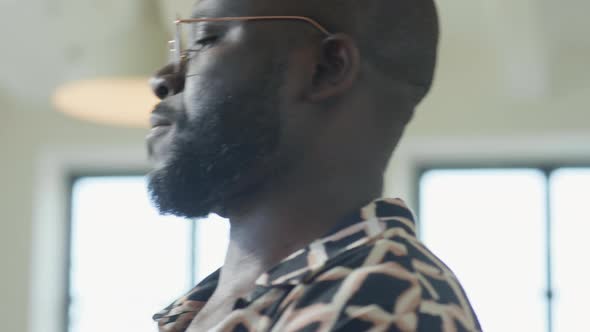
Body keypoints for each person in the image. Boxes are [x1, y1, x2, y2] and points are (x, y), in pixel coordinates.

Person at [146, 0, 481, 330]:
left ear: (326, 68)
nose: (161, 80)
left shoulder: (381, 304)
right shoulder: (206, 307)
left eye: (205, 39)